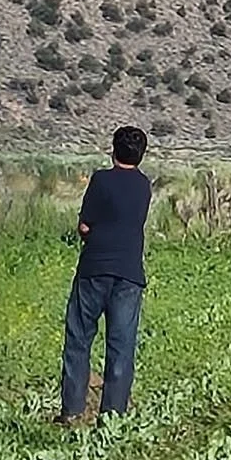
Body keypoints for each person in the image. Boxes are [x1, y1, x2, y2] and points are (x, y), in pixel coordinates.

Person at [58, 125, 152, 423]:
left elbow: (85, 225)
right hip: (129, 272)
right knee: (121, 345)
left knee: (79, 339)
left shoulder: (101, 180)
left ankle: (72, 410)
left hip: (94, 268)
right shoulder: (144, 185)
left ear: (113, 149)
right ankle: (112, 415)